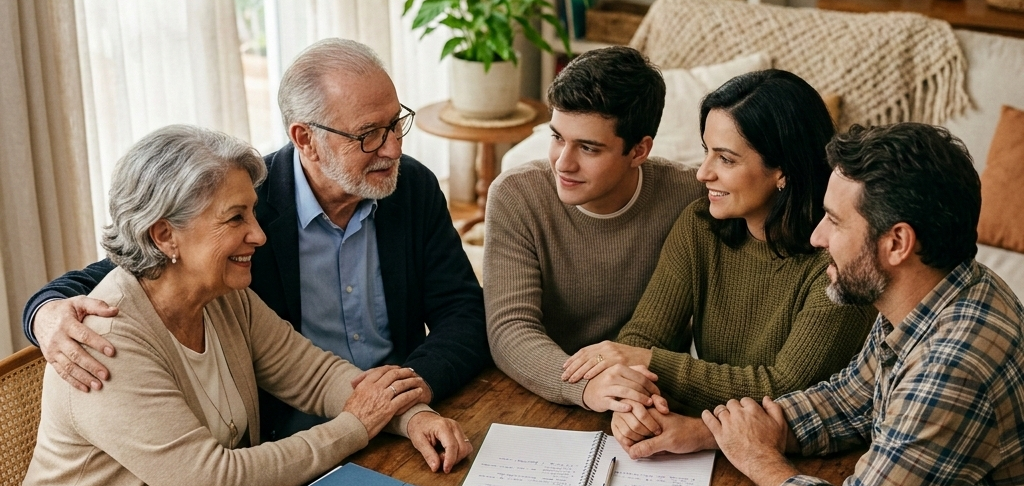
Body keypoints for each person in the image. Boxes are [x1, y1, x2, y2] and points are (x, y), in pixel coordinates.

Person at [21, 38, 490, 440]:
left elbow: (464, 311)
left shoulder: (410, 187)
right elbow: (132, 266)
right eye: (368, 134)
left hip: (401, 414)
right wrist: (44, 312)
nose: (393, 147)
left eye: (395, 123)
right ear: (305, 139)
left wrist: (410, 388)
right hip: (287, 436)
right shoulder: (241, 205)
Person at [24, 125, 472, 486]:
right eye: (236, 217)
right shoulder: (103, 344)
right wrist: (356, 426)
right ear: (164, 236)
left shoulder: (225, 298)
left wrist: (411, 416)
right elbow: (214, 478)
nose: (259, 234)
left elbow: (315, 376)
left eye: (253, 213)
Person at [682, 123, 1023, 486]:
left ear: (897, 243)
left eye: (834, 220)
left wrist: (757, 457)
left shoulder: (951, 370)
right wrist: (708, 431)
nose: (818, 237)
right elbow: (848, 402)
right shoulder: (932, 294)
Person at [565, 69, 875, 432]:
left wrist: (650, 363)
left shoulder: (839, 262)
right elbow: (645, 334)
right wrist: (632, 400)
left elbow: (786, 388)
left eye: (726, 159)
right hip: (699, 432)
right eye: (706, 151)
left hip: (798, 449)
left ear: (783, 170)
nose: (703, 173)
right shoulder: (701, 224)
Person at [484, 46, 705, 411]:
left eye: (588, 148)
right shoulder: (516, 195)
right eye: (557, 137)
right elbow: (510, 329)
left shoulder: (688, 195)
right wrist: (589, 386)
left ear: (639, 151)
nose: (563, 163)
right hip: (547, 386)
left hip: (651, 395)